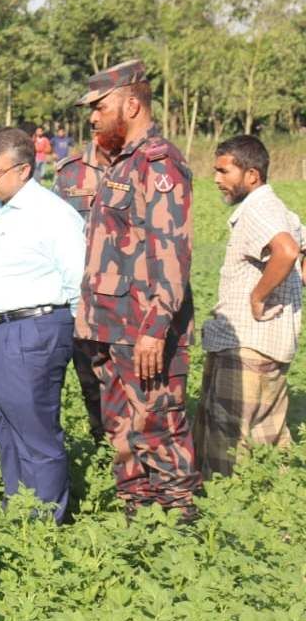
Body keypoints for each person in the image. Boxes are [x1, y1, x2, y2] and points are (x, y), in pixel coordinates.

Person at [74, 59, 202, 520]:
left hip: (143, 329)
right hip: (107, 326)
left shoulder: (158, 163)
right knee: (121, 429)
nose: (92, 116)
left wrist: (156, 328)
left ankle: (179, 523)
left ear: (131, 104)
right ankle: (138, 515)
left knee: (159, 428)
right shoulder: (118, 163)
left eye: (99, 106)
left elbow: (171, 249)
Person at [0, 128, 84, 523]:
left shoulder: (52, 215)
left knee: (35, 432)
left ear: (23, 170)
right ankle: (18, 509)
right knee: (5, 425)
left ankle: (45, 525)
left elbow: (78, 282)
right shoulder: (3, 211)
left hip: (32, 332)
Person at [195, 135, 302, 478]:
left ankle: (221, 514)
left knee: (225, 444)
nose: (216, 179)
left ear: (252, 175)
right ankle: (277, 514)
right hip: (272, 344)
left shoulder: (258, 209)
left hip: (246, 347)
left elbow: (286, 251)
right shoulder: (279, 208)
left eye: (224, 171)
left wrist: (258, 296)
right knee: (268, 440)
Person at [52, 138, 114, 440]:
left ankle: (137, 457)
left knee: (137, 387)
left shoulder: (143, 167)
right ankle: (103, 445)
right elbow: (50, 231)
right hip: (84, 298)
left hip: (132, 298)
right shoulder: (70, 173)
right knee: (91, 382)